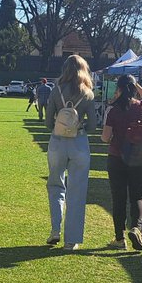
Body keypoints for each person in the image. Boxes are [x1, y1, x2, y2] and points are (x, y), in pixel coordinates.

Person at [44, 55, 97, 250]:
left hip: (57, 142)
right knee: (77, 190)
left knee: (55, 185)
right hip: (79, 142)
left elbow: (48, 122)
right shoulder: (88, 94)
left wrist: (60, 125)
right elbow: (93, 126)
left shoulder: (56, 90)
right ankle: (71, 240)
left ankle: (55, 230)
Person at [101, 74, 142, 250]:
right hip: (138, 158)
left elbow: (105, 137)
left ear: (118, 89)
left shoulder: (113, 110)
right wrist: (137, 85)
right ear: (134, 89)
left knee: (119, 199)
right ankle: (136, 228)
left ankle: (119, 239)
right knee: (137, 196)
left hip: (116, 157)